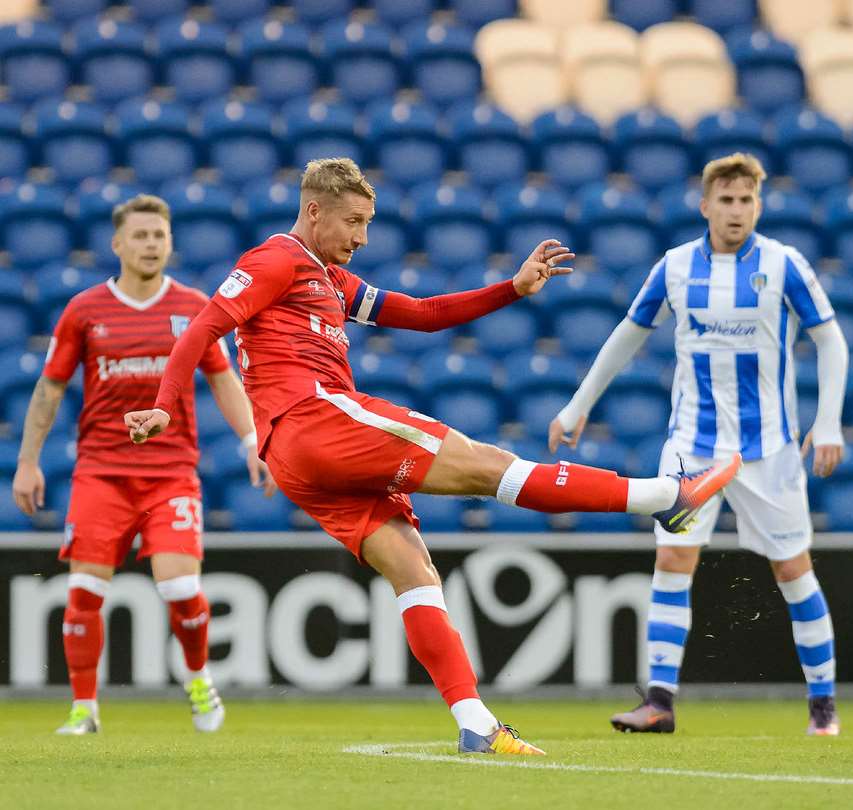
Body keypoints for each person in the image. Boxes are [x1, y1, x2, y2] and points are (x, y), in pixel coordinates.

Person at [123, 158, 741, 756]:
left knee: (414, 572)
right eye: (354, 222)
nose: (363, 237)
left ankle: (474, 723)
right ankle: (664, 497)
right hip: (315, 419)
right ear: (314, 211)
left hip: (297, 457)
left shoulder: (330, 278)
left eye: (369, 223)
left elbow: (421, 314)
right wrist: (164, 405)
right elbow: (203, 325)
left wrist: (514, 288)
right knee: (485, 464)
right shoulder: (276, 259)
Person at [549, 153, 849, 736]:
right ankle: (659, 701)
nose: (737, 211)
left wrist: (829, 420)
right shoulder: (676, 267)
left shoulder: (785, 265)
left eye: (747, 201)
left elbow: (831, 341)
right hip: (692, 446)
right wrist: (578, 404)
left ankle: (823, 708)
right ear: (705, 204)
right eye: (727, 200)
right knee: (672, 559)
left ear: (757, 206)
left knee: (793, 569)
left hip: (770, 450)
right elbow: (628, 334)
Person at [11, 194, 276, 736]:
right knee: (84, 591)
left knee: (180, 589)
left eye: (159, 235)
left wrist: (253, 437)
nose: (151, 244)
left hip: (171, 472)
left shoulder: (194, 307)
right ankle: (84, 708)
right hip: (100, 473)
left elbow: (224, 379)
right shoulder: (85, 311)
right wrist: (27, 462)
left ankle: (199, 679)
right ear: (117, 244)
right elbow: (49, 388)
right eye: (140, 235)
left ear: (170, 242)